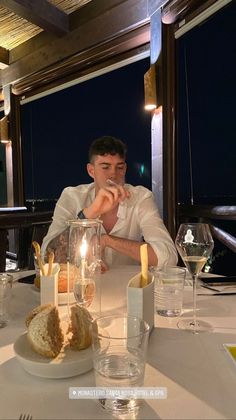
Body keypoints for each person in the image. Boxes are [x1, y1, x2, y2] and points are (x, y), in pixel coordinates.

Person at [41, 136, 177, 270]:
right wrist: (90, 213)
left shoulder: (140, 198)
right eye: (105, 167)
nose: (113, 174)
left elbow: (169, 258)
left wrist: (107, 240)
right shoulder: (72, 196)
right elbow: (46, 258)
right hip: (83, 286)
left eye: (119, 167)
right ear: (91, 170)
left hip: (128, 288)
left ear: (125, 169)